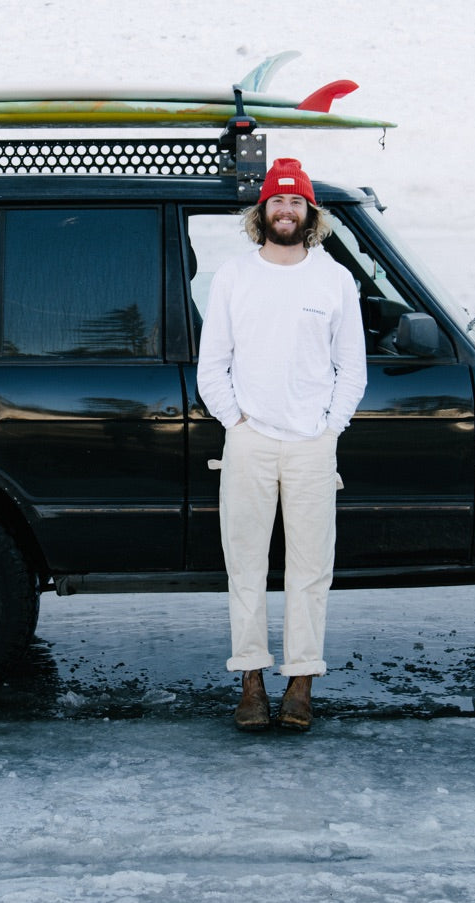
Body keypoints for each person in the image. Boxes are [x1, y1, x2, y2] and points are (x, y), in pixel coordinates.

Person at [196, 157, 366, 732]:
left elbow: (353, 370)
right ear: (261, 211)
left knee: (310, 568)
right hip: (248, 443)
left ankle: (300, 682)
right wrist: (236, 422)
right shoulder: (235, 276)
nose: (286, 210)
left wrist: (329, 429)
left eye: (296, 202)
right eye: (277, 201)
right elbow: (212, 364)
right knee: (244, 565)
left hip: (312, 446)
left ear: (310, 213)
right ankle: (250, 682)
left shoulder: (334, 279)